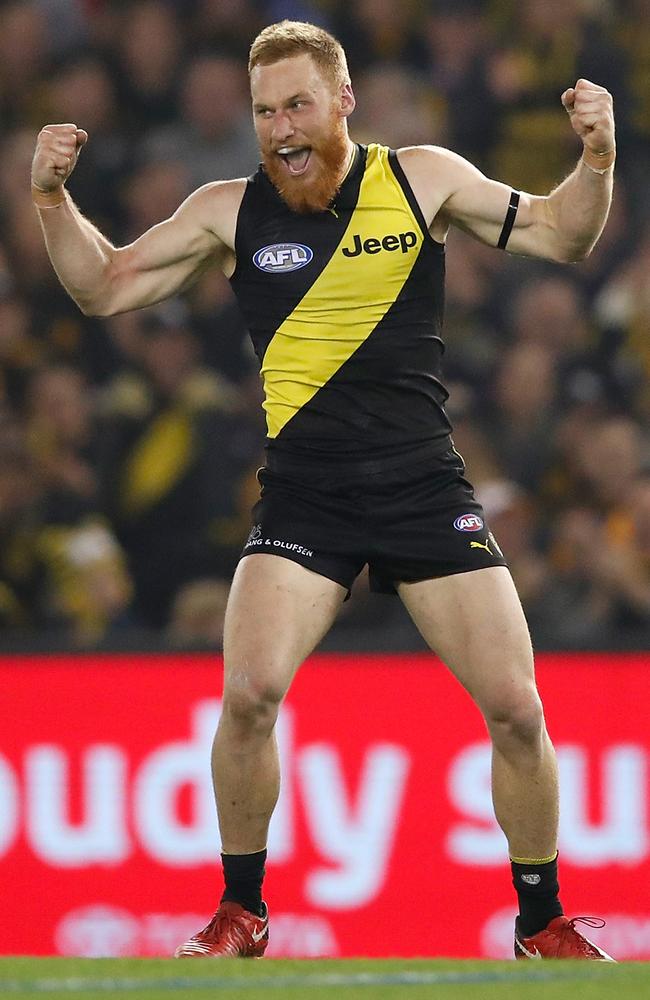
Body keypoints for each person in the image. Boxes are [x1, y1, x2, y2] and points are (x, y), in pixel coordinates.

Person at [31, 20, 616, 962]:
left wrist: (596, 156)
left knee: (516, 708)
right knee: (250, 695)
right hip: (307, 496)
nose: (280, 129)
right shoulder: (230, 210)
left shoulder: (422, 178)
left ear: (344, 100)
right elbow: (102, 288)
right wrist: (52, 198)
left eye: (296, 104)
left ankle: (540, 920)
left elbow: (564, 234)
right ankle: (241, 909)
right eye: (264, 112)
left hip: (425, 486)